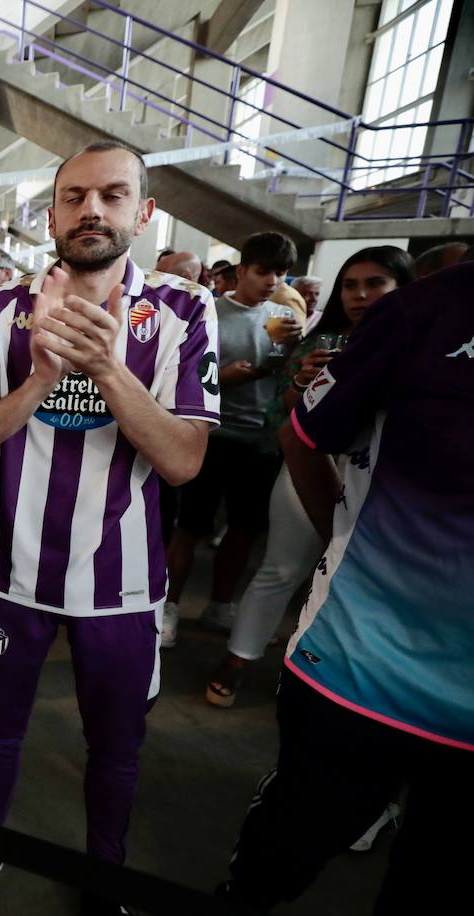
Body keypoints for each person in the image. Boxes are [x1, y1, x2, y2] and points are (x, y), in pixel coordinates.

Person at [0, 141, 219, 916]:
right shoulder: (1, 309)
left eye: (114, 196)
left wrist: (107, 365)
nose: (93, 210)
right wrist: (46, 374)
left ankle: (105, 875)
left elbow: (185, 460)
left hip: (122, 582)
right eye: (75, 196)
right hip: (13, 570)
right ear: (52, 213)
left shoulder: (183, 309)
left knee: (117, 749)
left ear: (143, 212)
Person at [218, 262, 474, 915]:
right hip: (362, 668)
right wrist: (345, 541)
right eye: (350, 286)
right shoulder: (424, 312)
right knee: (280, 857)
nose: (359, 296)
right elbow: (300, 435)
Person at [203, 246, 416, 707]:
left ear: (404, 288)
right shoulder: (326, 341)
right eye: (350, 285)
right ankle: (237, 659)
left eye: (374, 284)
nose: (360, 295)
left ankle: (331, 681)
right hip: (314, 462)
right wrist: (302, 381)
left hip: (390, 480)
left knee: (362, 579)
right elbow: (286, 413)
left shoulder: (423, 347)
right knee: (280, 567)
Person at [162, 231, 301, 646]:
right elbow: (180, 376)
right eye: (263, 271)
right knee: (190, 528)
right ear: (241, 270)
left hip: (259, 440)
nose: (272, 281)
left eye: (280, 273)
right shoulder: (209, 313)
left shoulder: (280, 320)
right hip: (212, 435)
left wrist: (288, 351)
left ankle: (221, 605)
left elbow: (280, 377)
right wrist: (223, 377)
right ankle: (168, 607)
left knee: (244, 529)